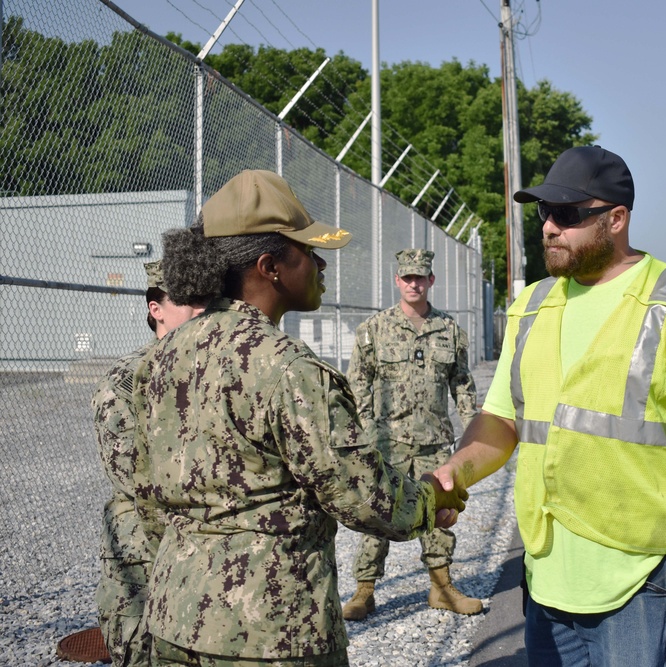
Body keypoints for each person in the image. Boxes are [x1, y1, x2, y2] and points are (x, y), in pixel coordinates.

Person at [434, 146, 666, 666]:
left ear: (616, 219)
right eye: (543, 213)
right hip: (545, 576)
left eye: (567, 215)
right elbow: (502, 421)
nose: (549, 228)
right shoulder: (532, 306)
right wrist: (453, 473)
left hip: (641, 580)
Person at [130, 169, 466, 667]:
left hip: (173, 619)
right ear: (270, 267)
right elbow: (365, 499)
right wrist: (432, 498)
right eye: (307, 252)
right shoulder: (289, 368)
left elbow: (147, 493)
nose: (320, 264)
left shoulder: (160, 358)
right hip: (271, 630)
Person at [56, 264, 204, 667]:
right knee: (141, 647)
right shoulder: (126, 377)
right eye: (184, 301)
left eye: (202, 299)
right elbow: (125, 470)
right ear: (156, 309)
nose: (198, 310)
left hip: (206, 531)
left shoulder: (217, 368)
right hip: (144, 532)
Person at [342, 248, 482, 620]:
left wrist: (473, 435)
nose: (413, 284)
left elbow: (463, 385)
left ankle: (442, 587)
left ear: (430, 281)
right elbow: (358, 385)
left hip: (436, 442)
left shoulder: (449, 330)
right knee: (377, 515)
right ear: (397, 281)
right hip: (387, 443)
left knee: (442, 512)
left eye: (420, 277)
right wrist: (366, 435)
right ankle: (364, 592)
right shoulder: (375, 330)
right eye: (407, 278)